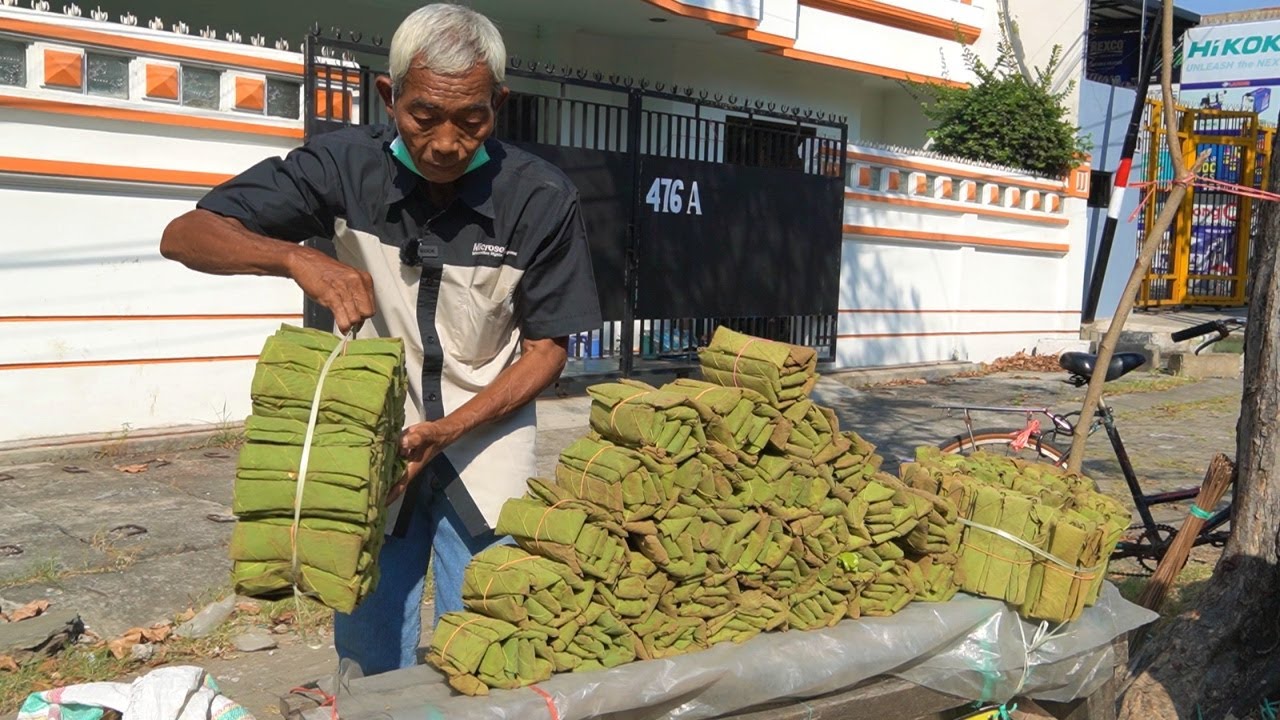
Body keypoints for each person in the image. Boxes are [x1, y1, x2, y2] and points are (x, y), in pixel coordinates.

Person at [159, 3, 602, 676]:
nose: (447, 142)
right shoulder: (342, 167)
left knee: (482, 650)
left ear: (498, 105)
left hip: (485, 433)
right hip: (372, 438)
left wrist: (450, 429)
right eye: (425, 115)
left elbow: (547, 349)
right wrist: (294, 257)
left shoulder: (540, 198)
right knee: (367, 651)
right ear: (390, 96)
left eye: (471, 119)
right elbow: (186, 235)